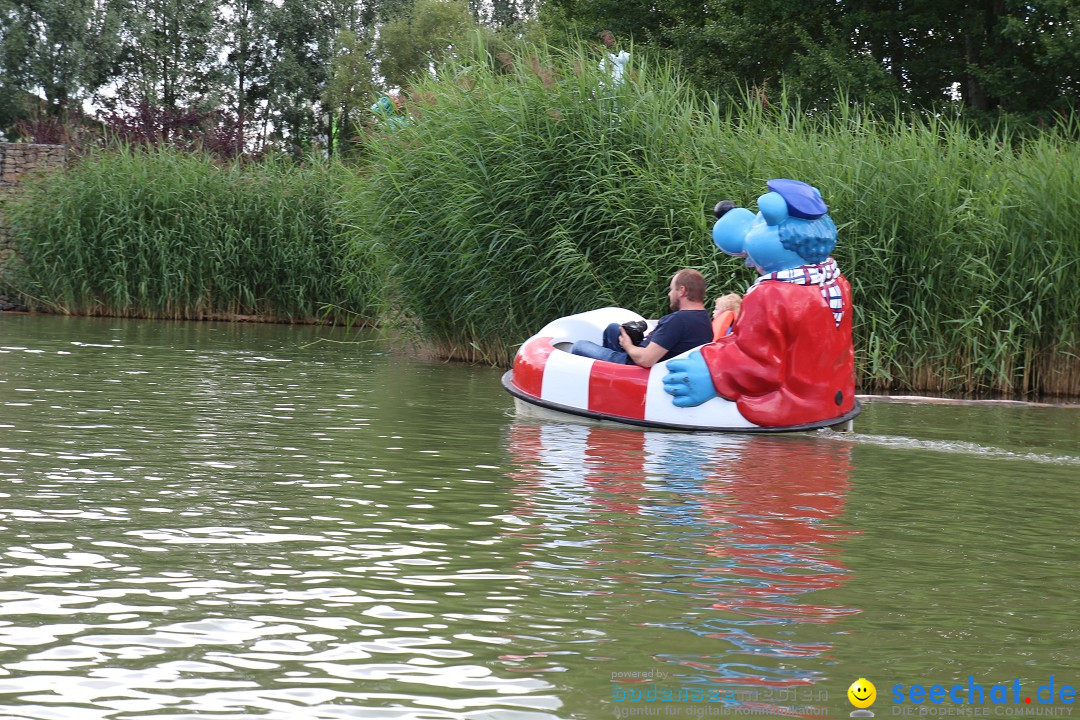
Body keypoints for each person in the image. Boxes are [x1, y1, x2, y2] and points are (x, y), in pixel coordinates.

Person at [570, 269, 714, 368]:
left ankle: (609, 377)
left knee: (579, 346)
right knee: (613, 329)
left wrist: (628, 346)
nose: (669, 294)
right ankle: (605, 376)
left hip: (638, 369)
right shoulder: (703, 318)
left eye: (671, 289)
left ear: (682, 291)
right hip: (653, 359)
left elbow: (646, 360)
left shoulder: (678, 321)